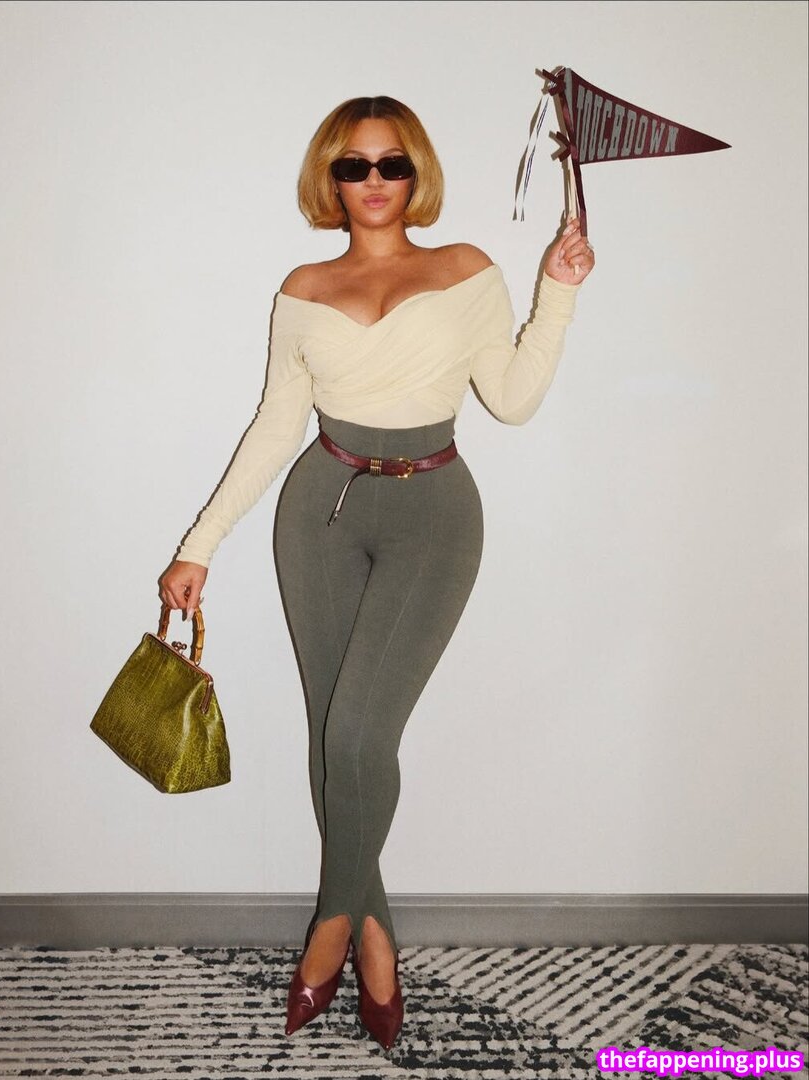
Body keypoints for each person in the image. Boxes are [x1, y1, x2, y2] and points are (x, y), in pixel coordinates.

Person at [158, 94, 594, 1051]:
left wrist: (556, 291)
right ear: (330, 178)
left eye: (390, 163)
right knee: (334, 737)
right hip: (319, 510)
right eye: (351, 166)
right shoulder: (303, 287)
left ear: (415, 172)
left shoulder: (465, 271)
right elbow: (276, 423)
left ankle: (331, 923)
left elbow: (512, 399)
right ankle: (376, 936)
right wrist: (199, 543)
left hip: (433, 514)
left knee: (358, 733)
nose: (372, 182)